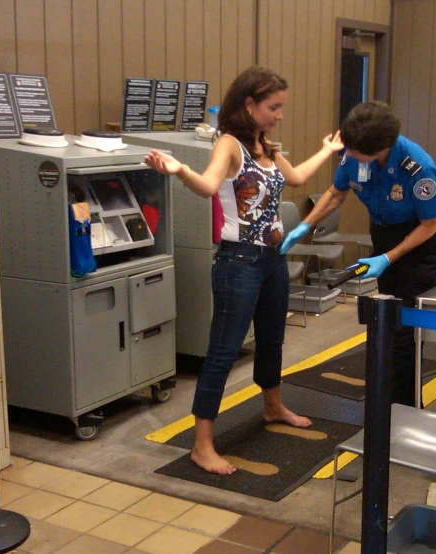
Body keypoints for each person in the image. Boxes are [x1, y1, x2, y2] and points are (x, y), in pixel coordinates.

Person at [144, 66, 344, 474]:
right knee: (223, 351)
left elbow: (298, 176)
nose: (279, 115)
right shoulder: (230, 145)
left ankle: (272, 406)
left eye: (282, 107)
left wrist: (328, 149)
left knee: (271, 340)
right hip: (238, 262)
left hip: (271, 261)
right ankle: (202, 444)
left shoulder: (264, 147)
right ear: (248, 104)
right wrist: (178, 170)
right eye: (274, 107)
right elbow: (206, 185)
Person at [281, 100, 436, 408]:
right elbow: (336, 193)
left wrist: (388, 258)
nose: (348, 156)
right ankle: (389, 399)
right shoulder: (355, 152)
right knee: (384, 319)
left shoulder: (417, 167)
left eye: (355, 153)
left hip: (419, 242)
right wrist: (305, 226)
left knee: (404, 329)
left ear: (381, 148)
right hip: (384, 233)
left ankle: (404, 409)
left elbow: (431, 223)